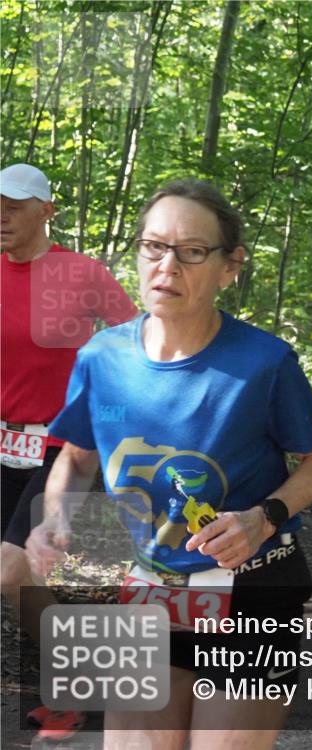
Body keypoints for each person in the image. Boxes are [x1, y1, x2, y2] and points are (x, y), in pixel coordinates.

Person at [25, 180, 312, 749]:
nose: (167, 266)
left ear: (229, 266)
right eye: (154, 246)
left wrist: (264, 516)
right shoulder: (101, 358)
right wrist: (54, 518)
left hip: (252, 595)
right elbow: (75, 459)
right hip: (151, 591)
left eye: (192, 251)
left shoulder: (263, 362)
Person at [1, 163, 137, 740]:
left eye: (14, 204)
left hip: (65, 445)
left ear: (46, 211)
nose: (2, 214)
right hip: (4, 439)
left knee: (13, 573)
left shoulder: (81, 272)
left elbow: (140, 340)